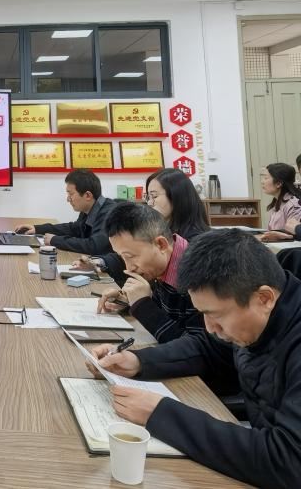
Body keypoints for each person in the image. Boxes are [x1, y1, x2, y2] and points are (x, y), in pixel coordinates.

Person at [89, 230, 301, 489]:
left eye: (216, 315)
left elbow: (289, 461)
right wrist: (137, 361)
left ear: (264, 298)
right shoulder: (257, 314)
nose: (210, 327)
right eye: (203, 314)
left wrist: (162, 414)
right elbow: (208, 348)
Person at [95, 202, 206, 345]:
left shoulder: (198, 276)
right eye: (122, 257)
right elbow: (165, 314)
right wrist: (130, 301)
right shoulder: (163, 265)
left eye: (130, 256)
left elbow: (195, 347)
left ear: (161, 244)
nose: (128, 268)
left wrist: (143, 306)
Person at [77, 168, 209, 283]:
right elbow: (131, 254)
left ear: (177, 196)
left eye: (154, 196)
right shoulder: (160, 228)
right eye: (148, 197)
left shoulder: (195, 244)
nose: (150, 203)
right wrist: (100, 262)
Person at [13, 169, 114, 254]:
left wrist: (55, 240)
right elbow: (73, 229)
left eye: (71, 194)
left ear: (87, 195)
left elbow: (95, 246)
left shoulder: (110, 213)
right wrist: (37, 229)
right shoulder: (88, 209)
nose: (68, 199)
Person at [258, 163, 301, 241]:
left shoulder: (293, 205)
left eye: (266, 178)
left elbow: (294, 235)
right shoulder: (277, 202)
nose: (262, 181)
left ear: (278, 183)